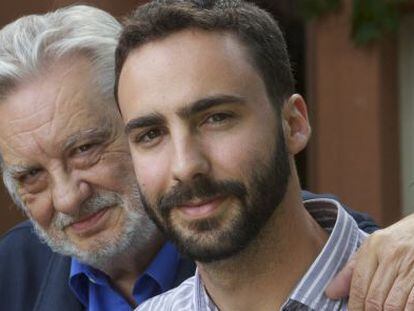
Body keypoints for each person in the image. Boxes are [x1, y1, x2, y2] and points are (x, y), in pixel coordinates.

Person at [0, 4, 410, 311]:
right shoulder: (12, 271)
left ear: (293, 123)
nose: (68, 198)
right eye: (31, 174)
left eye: (85, 149)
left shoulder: (381, 271)